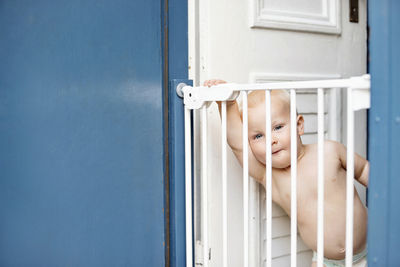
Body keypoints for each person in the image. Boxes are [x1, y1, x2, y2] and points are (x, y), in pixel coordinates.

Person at [204, 79, 369, 267]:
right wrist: (227, 103)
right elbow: (237, 145)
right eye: (258, 136)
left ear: (299, 125)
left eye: (278, 127)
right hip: (326, 261)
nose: (271, 140)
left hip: (372, 245)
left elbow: (364, 169)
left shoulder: (329, 151)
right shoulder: (269, 176)